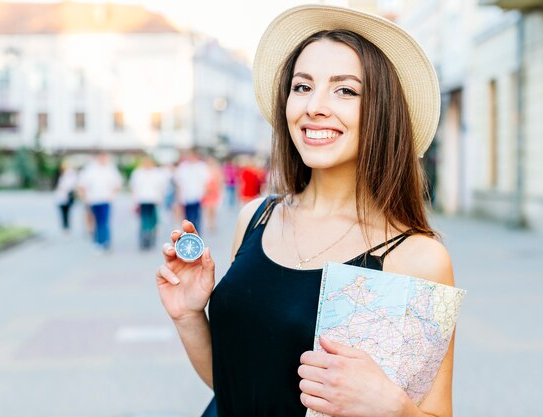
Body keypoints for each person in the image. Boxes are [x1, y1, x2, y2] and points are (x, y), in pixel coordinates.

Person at [156, 5, 458, 417]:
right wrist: (189, 315)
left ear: (383, 112)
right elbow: (236, 383)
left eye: (345, 90)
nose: (314, 106)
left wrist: (395, 408)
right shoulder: (255, 219)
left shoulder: (416, 257)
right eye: (302, 87)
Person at [77, 152, 123, 251]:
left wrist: (113, 195)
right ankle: (98, 241)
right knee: (97, 221)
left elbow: (118, 183)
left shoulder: (110, 169)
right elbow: (82, 185)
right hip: (93, 200)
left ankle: (105, 241)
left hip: (106, 199)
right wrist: (84, 198)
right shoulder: (90, 169)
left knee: (104, 221)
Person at [129, 156, 168, 250]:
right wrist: (134, 201)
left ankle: (151, 239)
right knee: (144, 221)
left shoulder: (158, 173)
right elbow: (134, 187)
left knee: (153, 221)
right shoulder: (138, 173)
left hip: (154, 200)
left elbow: (163, 187)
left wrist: (161, 198)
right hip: (142, 200)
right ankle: (144, 240)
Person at [173, 148, 210, 233]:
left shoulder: (201, 166)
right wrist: (179, 195)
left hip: (197, 195)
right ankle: (189, 233)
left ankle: (196, 233)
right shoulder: (183, 167)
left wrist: (204, 194)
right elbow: (178, 182)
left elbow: (206, 181)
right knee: (187, 217)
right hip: (186, 196)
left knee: (196, 216)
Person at [54, 160, 77, 233]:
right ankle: (65, 226)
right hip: (61, 196)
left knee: (66, 211)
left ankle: (66, 227)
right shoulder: (61, 174)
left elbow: (70, 185)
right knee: (63, 211)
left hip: (67, 195)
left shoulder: (71, 174)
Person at [201, 156, 224, 232]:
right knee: (207, 208)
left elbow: (220, 181)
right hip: (207, 192)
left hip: (214, 192)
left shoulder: (216, 171)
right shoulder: (205, 170)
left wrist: (220, 191)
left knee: (213, 208)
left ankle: (212, 222)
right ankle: (209, 222)